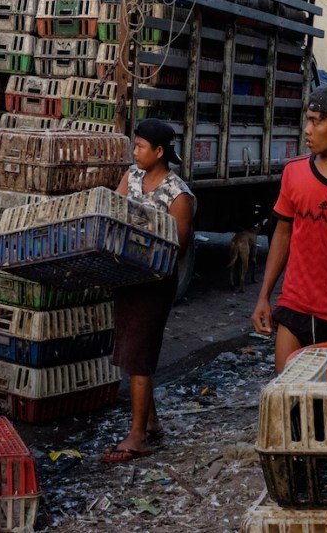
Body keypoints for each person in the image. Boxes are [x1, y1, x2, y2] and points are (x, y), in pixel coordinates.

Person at [253, 86, 327, 373]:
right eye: (307, 120)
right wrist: (264, 297)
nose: (307, 130)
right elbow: (282, 234)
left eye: (316, 122)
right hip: (295, 304)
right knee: (286, 392)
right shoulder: (294, 172)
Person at [104, 119, 194, 464]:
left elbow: (178, 247)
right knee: (131, 349)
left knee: (139, 355)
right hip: (127, 276)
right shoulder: (132, 177)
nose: (135, 151)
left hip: (155, 283)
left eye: (141, 146)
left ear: (159, 152)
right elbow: (115, 212)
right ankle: (151, 422)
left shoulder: (178, 194)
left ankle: (138, 436)